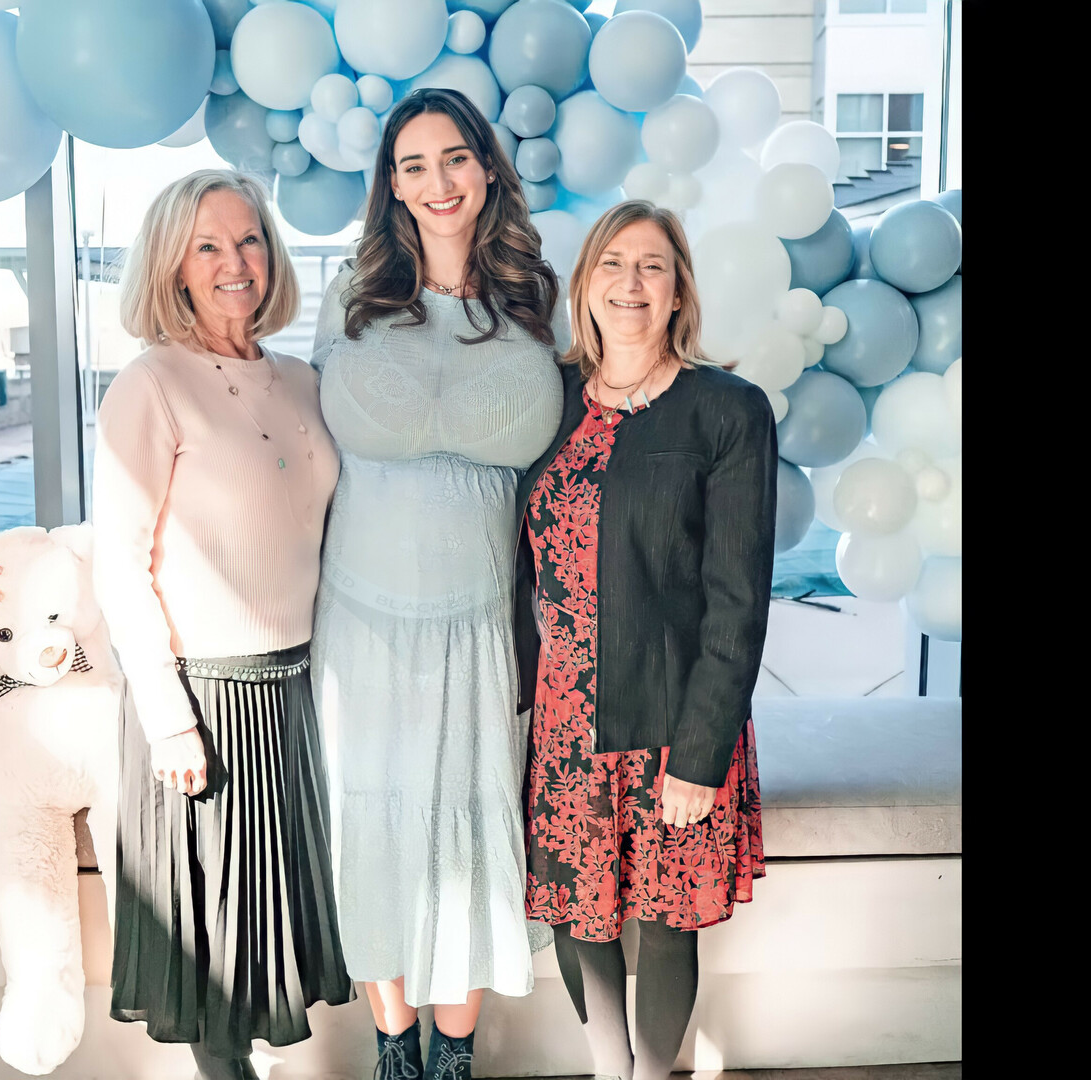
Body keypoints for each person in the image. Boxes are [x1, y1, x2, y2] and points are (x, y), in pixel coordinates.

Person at [309, 87, 564, 1080]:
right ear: (392, 185)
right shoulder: (352, 296)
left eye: (454, 157)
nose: (437, 181)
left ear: (487, 167)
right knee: (371, 823)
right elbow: (295, 442)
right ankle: (393, 1050)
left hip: (480, 623)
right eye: (412, 165)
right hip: (359, 623)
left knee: (465, 837)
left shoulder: (534, 298)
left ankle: (452, 1060)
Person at [90, 168, 350, 1080]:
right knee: (214, 956)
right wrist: (168, 720)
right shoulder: (150, 384)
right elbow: (119, 565)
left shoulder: (302, 380)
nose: (234, 261)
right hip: (200, 703)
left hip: (292, 696)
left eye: (248, 240)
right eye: (207, 246)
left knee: (267, 942)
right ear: (173, 265)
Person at [515, 201, 775, 1080]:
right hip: (566, 720)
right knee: (575, 914)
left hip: (675, 716)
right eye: (613, 263)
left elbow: (738, 601)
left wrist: (701, 755)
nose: (630, 283)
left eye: (652, 266)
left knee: (666, 922)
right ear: (585, 283)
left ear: (678, 292)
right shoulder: (546, 400)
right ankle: (609, 1069)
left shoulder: (726, 410)